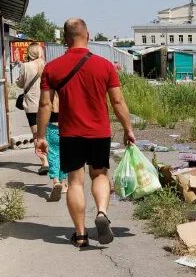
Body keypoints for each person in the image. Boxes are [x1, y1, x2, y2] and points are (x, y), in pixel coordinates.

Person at [35, 18, 136, 248]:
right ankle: (101, 212)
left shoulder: (52, 67)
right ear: (87, 35)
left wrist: (40, 137)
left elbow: (44, 105)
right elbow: (117, 101)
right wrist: (128, 129)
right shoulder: (104, 65)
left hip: (70, 133)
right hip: (99, 131)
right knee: (100, 175)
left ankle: (80, 234)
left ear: (65, 39)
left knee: (75, 181)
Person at [16, 43, 49, 174]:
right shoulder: (46, 65)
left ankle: (44, 162)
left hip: (32, 106)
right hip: (47, 105)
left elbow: (20, 84)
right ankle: (54, 160)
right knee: (48, 133)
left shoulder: (25, 66)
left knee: (37, 135)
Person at [46, 91, 68, 202]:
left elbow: (43, 107)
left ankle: (55, 180)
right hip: (66, 125)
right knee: (65, 154)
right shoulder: (67, 90)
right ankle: (64, 184)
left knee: (53, 153)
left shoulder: (48, 91)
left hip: (51, 126)